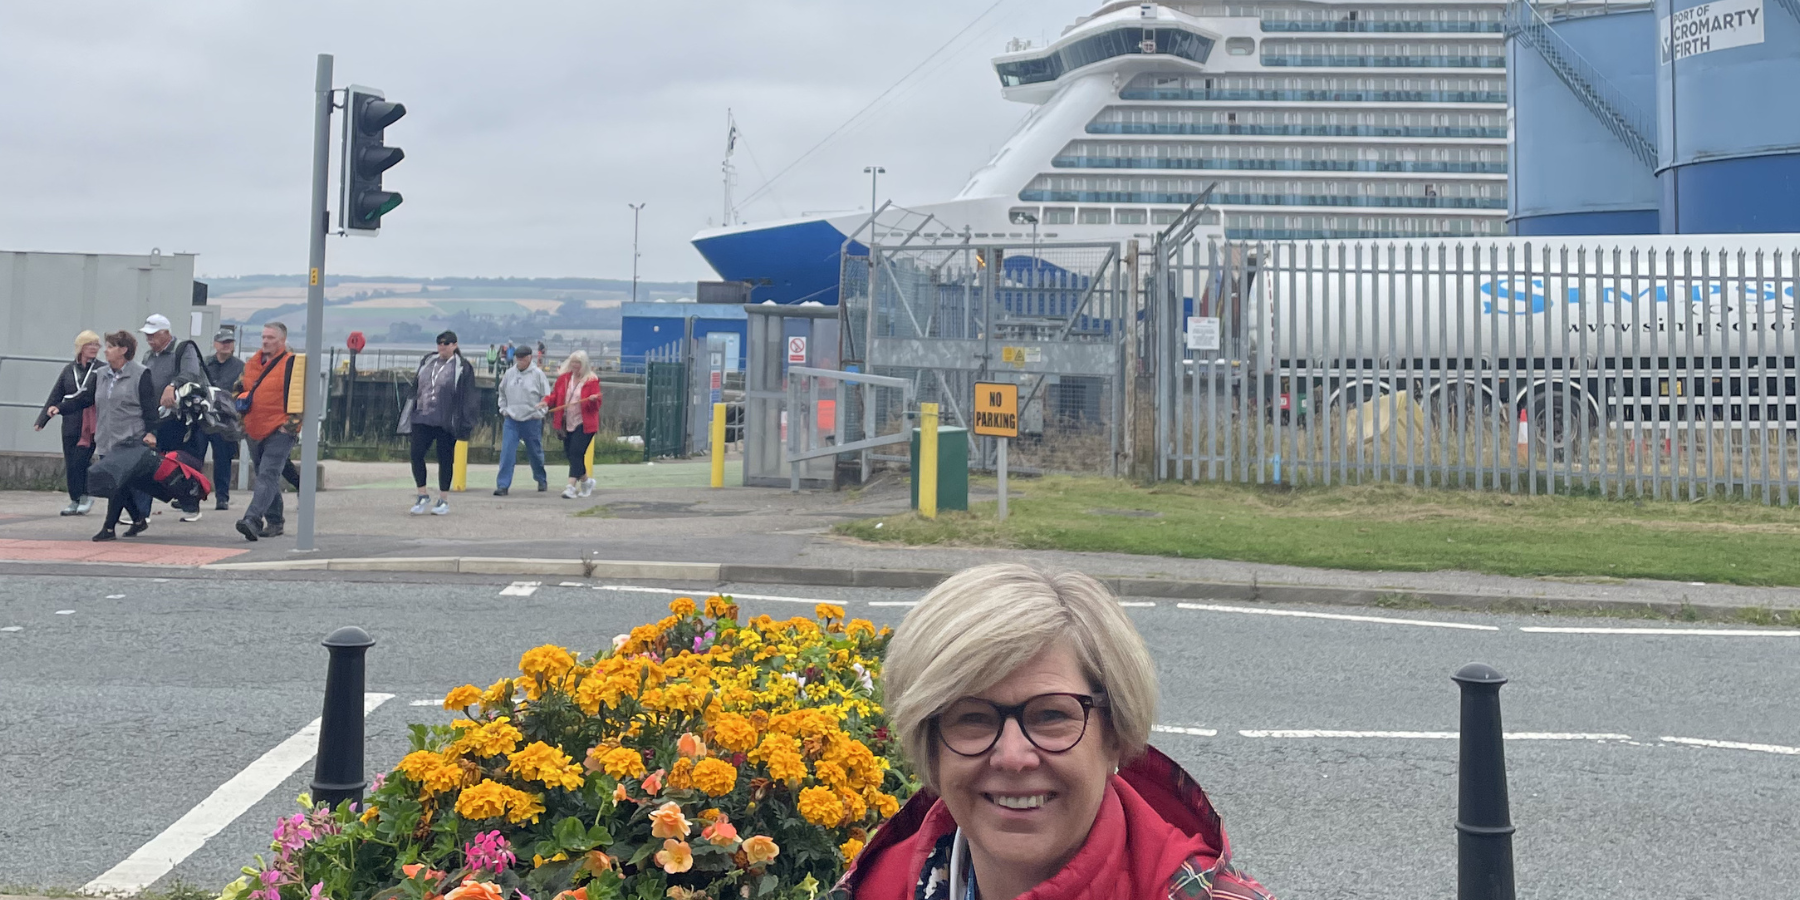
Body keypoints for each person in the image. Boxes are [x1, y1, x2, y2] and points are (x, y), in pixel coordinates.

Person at [836, 564, 1275, 900]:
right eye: (971, 717)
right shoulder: (876, 885)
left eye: (1050, 716)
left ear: (1115, 736)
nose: (1012, 756)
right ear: (930, 749)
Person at [233, 323, 305, 542]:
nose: (265, 341)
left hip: (280, 429)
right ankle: (275, 522)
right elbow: (237, 390)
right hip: (254, 429)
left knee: (268, 474)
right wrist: (243, 422)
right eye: (264, 337)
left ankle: (252, 519)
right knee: (265, 474)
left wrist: (290, 426)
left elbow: (302, 396)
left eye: (271, 338)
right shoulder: (252, 364)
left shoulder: (292, 364)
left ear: (282, 341)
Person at [90, 331, 159, 541]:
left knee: (115, 483)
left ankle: (109, 528)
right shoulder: (100, 374)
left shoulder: (141, 374)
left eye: (110, 346)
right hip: (106, 438)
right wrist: (59, 408)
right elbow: (85, 398)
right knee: (121, 484)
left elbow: (150, 408)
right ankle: (138, 519)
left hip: (130, 439)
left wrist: (152, 432)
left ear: (123, 350)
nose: (105, 350)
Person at [139, 313, 207, 521]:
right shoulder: (148, 356)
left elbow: (191, 374)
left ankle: (190, 505)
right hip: (155, 417)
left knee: (180, 463)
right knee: (148, 461)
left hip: (180, 418)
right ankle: (142, 512)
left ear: (166, 333)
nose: (149, 340)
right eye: (147, 335)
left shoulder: (183, 349)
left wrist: (172, 385)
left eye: (153, 335)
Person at [408, 330, 479, 516]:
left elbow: (469, 396)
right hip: (422, 417)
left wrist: (465, 422)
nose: (442, 346)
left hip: (446, 420)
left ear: (454, 345)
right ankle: (422, 494)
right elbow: (416, 386)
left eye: (446, 343)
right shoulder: (427, 361)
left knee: (445, 459)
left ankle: (443, 498)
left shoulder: (462, 367)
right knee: (416, 454)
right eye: (439, 343)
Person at [35, 330, 103, 516]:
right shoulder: (68, 370)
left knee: (81, 461)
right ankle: (74, 499)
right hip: (70, 422)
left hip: (89, 423)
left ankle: (86, 495)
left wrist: (61, 407)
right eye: (91, 344)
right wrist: (43, 419)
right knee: (71, 461)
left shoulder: (101, 369)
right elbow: (56, 394)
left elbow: (88, 396)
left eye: (97, 344)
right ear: (81, 347)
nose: (95, 348)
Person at [544, 349, 602, 499]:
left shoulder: (591, 380)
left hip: (584, 423)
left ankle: (570, 487)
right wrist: (546, 402)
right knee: (571, 454)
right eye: (573, 362)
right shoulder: (564, 379)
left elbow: (596, 405)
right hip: (567, 422)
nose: (575, 365)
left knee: (576, 452)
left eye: (578, 363)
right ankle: (586, 481)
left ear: (584, 365)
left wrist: (592, 400)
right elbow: (556, 396)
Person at [199, 329, 246, 511]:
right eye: (222, 342)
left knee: (222, 459)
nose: (226, 345)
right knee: (196, 456)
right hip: (203, 417)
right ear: (215, 344)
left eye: (229, 342)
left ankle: (222, 497)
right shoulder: (205, 364)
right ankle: (192, 495)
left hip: (225, 420)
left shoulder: (240, 367)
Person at [494, 344, 550, 496]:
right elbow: (502, 393)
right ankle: (503, 485)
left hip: (531, 419)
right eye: (517, 359)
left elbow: (546, 396)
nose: (519, 362)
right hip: (512, 420)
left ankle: (541, 479)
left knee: (535, 453)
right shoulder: (509, 374)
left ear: (529, 358)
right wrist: (503, 409)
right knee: (507, 453)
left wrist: (541, 412)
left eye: (522, 359)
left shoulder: (538, 374)